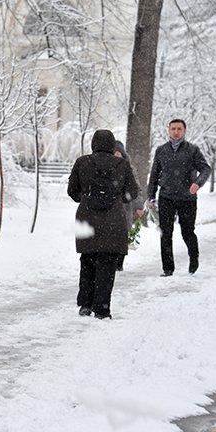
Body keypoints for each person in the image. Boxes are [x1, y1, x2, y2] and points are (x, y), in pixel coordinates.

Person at [67, 129, 139, 320]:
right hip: (113, 221)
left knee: (87, 261)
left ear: (93, 143)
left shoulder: (82, 162)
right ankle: (102, 308)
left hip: (87, 219)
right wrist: (117, 198)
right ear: (112, 144)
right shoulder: (122, 164)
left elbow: (72, 190)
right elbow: (132, 192)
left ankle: (85, 304)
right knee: (107, 264)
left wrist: (84, 198)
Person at [146, 119, 211, 277]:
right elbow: (154, 174)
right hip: (166, 196)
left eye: (179, 129)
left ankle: (193, 258)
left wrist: (197, 183)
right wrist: (151, 196)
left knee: (187, 232)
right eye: (173, 128)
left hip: (187, 198)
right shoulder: (161, 150)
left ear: (184, 130)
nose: (176, 131)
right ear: (168, 130)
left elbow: (205, 169)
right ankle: (168, 269)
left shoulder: (192, 150)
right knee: (166, 233)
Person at [114, 140, 144, 271]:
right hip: (109, 207)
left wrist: (138, 206)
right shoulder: (104, 167)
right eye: (113, 152)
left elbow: (137, 189)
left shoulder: (130, 168)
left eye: (119, 152)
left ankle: (119, 263)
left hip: (125, 207)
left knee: (123, 234)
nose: (116, 155)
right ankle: (110, 262)